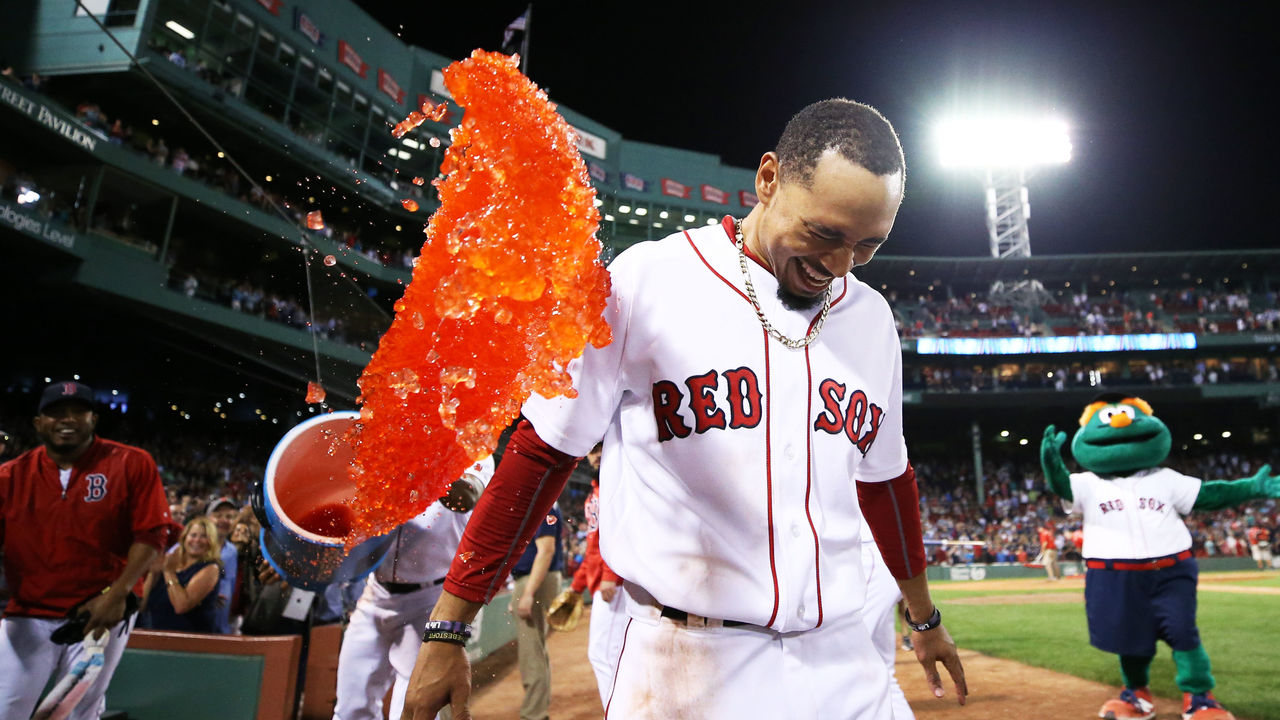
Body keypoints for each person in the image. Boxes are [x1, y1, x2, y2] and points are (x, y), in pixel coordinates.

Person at [401, 99, 966, 720]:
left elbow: (886, 484)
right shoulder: (649, 280)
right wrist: (448, 627)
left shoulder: (871, 318)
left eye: (866, 246)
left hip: (841, 654)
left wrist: (925, 617)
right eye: (824, 233)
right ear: (769, 178)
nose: (839, 266)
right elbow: (542, 453)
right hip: (688, 658)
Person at [1042, 393, 1280, 720]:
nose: (1122, 423)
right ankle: (1136, 695)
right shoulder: (1084, 483)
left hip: (1171, 571)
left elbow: (1210, 495)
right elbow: (1059, 483)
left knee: (1183, 633)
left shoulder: (1165, 479)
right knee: (1129, 640)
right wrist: (1051, 460)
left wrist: (1252, 487)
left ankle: (1200, 698)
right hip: (1113, 574)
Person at [0, 380, 171, 719]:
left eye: (78, 411)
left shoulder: (131, 463)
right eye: (56, 413)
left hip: (98, 611)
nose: (68, 419)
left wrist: (117, 594)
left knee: (80, 711)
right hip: (29, 613)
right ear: (38, 424)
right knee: (7, 708)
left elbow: (152, 534)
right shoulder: (10, 476)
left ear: (94, 419)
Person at [333, 457, 494, 720]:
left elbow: (465, 496)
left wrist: (417, 455)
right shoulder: (389, 437)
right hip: (376, 593)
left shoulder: (471, 446)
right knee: (350, 708)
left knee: (414, 710)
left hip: (430, 599)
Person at [568, 445, 626, 707]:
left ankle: (620, 711)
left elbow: (622, 531)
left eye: (601, 447)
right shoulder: (594, 493)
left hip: (617, 584)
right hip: (603, 581)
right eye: (592, 450)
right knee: (607, 655)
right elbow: (593, 546)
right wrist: (575, 588)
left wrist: (611, 576)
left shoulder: (621, 481)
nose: (596, 455)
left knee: (605, 654)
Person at [507, 504, 564, 720]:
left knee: (531, 649)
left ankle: (534, 713)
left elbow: (546, 550)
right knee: (536, 646)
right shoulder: (547, 504)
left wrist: (528, 592)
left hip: (536, 579)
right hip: (536, 579)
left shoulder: (546, 506)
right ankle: (537, 709)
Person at [140, 516, 221, 632]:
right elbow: (141, 606)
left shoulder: (211, 569)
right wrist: (153, 573)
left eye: (204, 536)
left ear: (211, 542)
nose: (197, 540)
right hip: (155, 637)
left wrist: (168, 571)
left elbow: (181, 606)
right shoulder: (169, 562)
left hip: (189, 643)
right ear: (184, 538)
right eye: (193, 535)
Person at [206, 496, 240, 633]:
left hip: (222, 628)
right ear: (207, 518)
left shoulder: (232, 551)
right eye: (218, 515)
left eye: (229, 517)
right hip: (194, 626)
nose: (224, 520)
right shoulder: (192, 545)